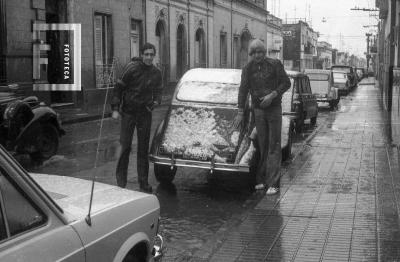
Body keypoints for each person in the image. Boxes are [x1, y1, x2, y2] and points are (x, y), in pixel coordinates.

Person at [234, 39, 291, 195]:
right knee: (262, 144)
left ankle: (274, 183)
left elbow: (286, 83)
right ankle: (261, 180)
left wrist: (272, 95)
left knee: (274, 144)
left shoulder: (275, 64)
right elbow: (243, 90)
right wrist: (240, 111)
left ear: (264, 52)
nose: (258, 55)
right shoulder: (247, 69)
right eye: (254, 52)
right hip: (258, 111)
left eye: (260, 52)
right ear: (251, 54)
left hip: (273, 109)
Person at [111, 43, 162, 193]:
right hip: (129, 113)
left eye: (151, 54)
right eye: (146, 54)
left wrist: (155, 103)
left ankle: (143, 183)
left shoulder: (156, 73)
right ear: (141, 55)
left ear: (154, 56)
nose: (149, 57)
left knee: (143, 149)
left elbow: (159, 91)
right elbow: (118, 88)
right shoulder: (131, 68)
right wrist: (115, 108)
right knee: (125, 146)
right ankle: (121, 182)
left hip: (145, 114)